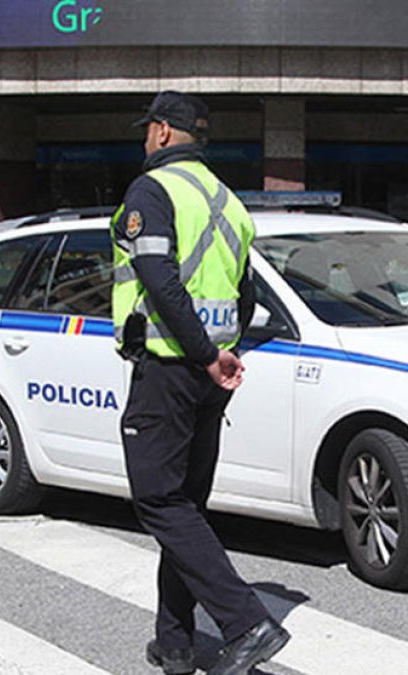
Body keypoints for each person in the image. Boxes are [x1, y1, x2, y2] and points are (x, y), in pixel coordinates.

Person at [111, 91, 290, 675]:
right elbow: (245, 294)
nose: (144, 139)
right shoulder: (229, 201)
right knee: (184, 507)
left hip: (169, 369)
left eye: (148, 129)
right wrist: (223, 350)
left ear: (163, 132)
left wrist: (206, 353)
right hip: (209, 376)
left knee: (159, 501)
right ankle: (176, 643)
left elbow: (159, 281)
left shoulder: (152, 192)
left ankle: (246, 623)